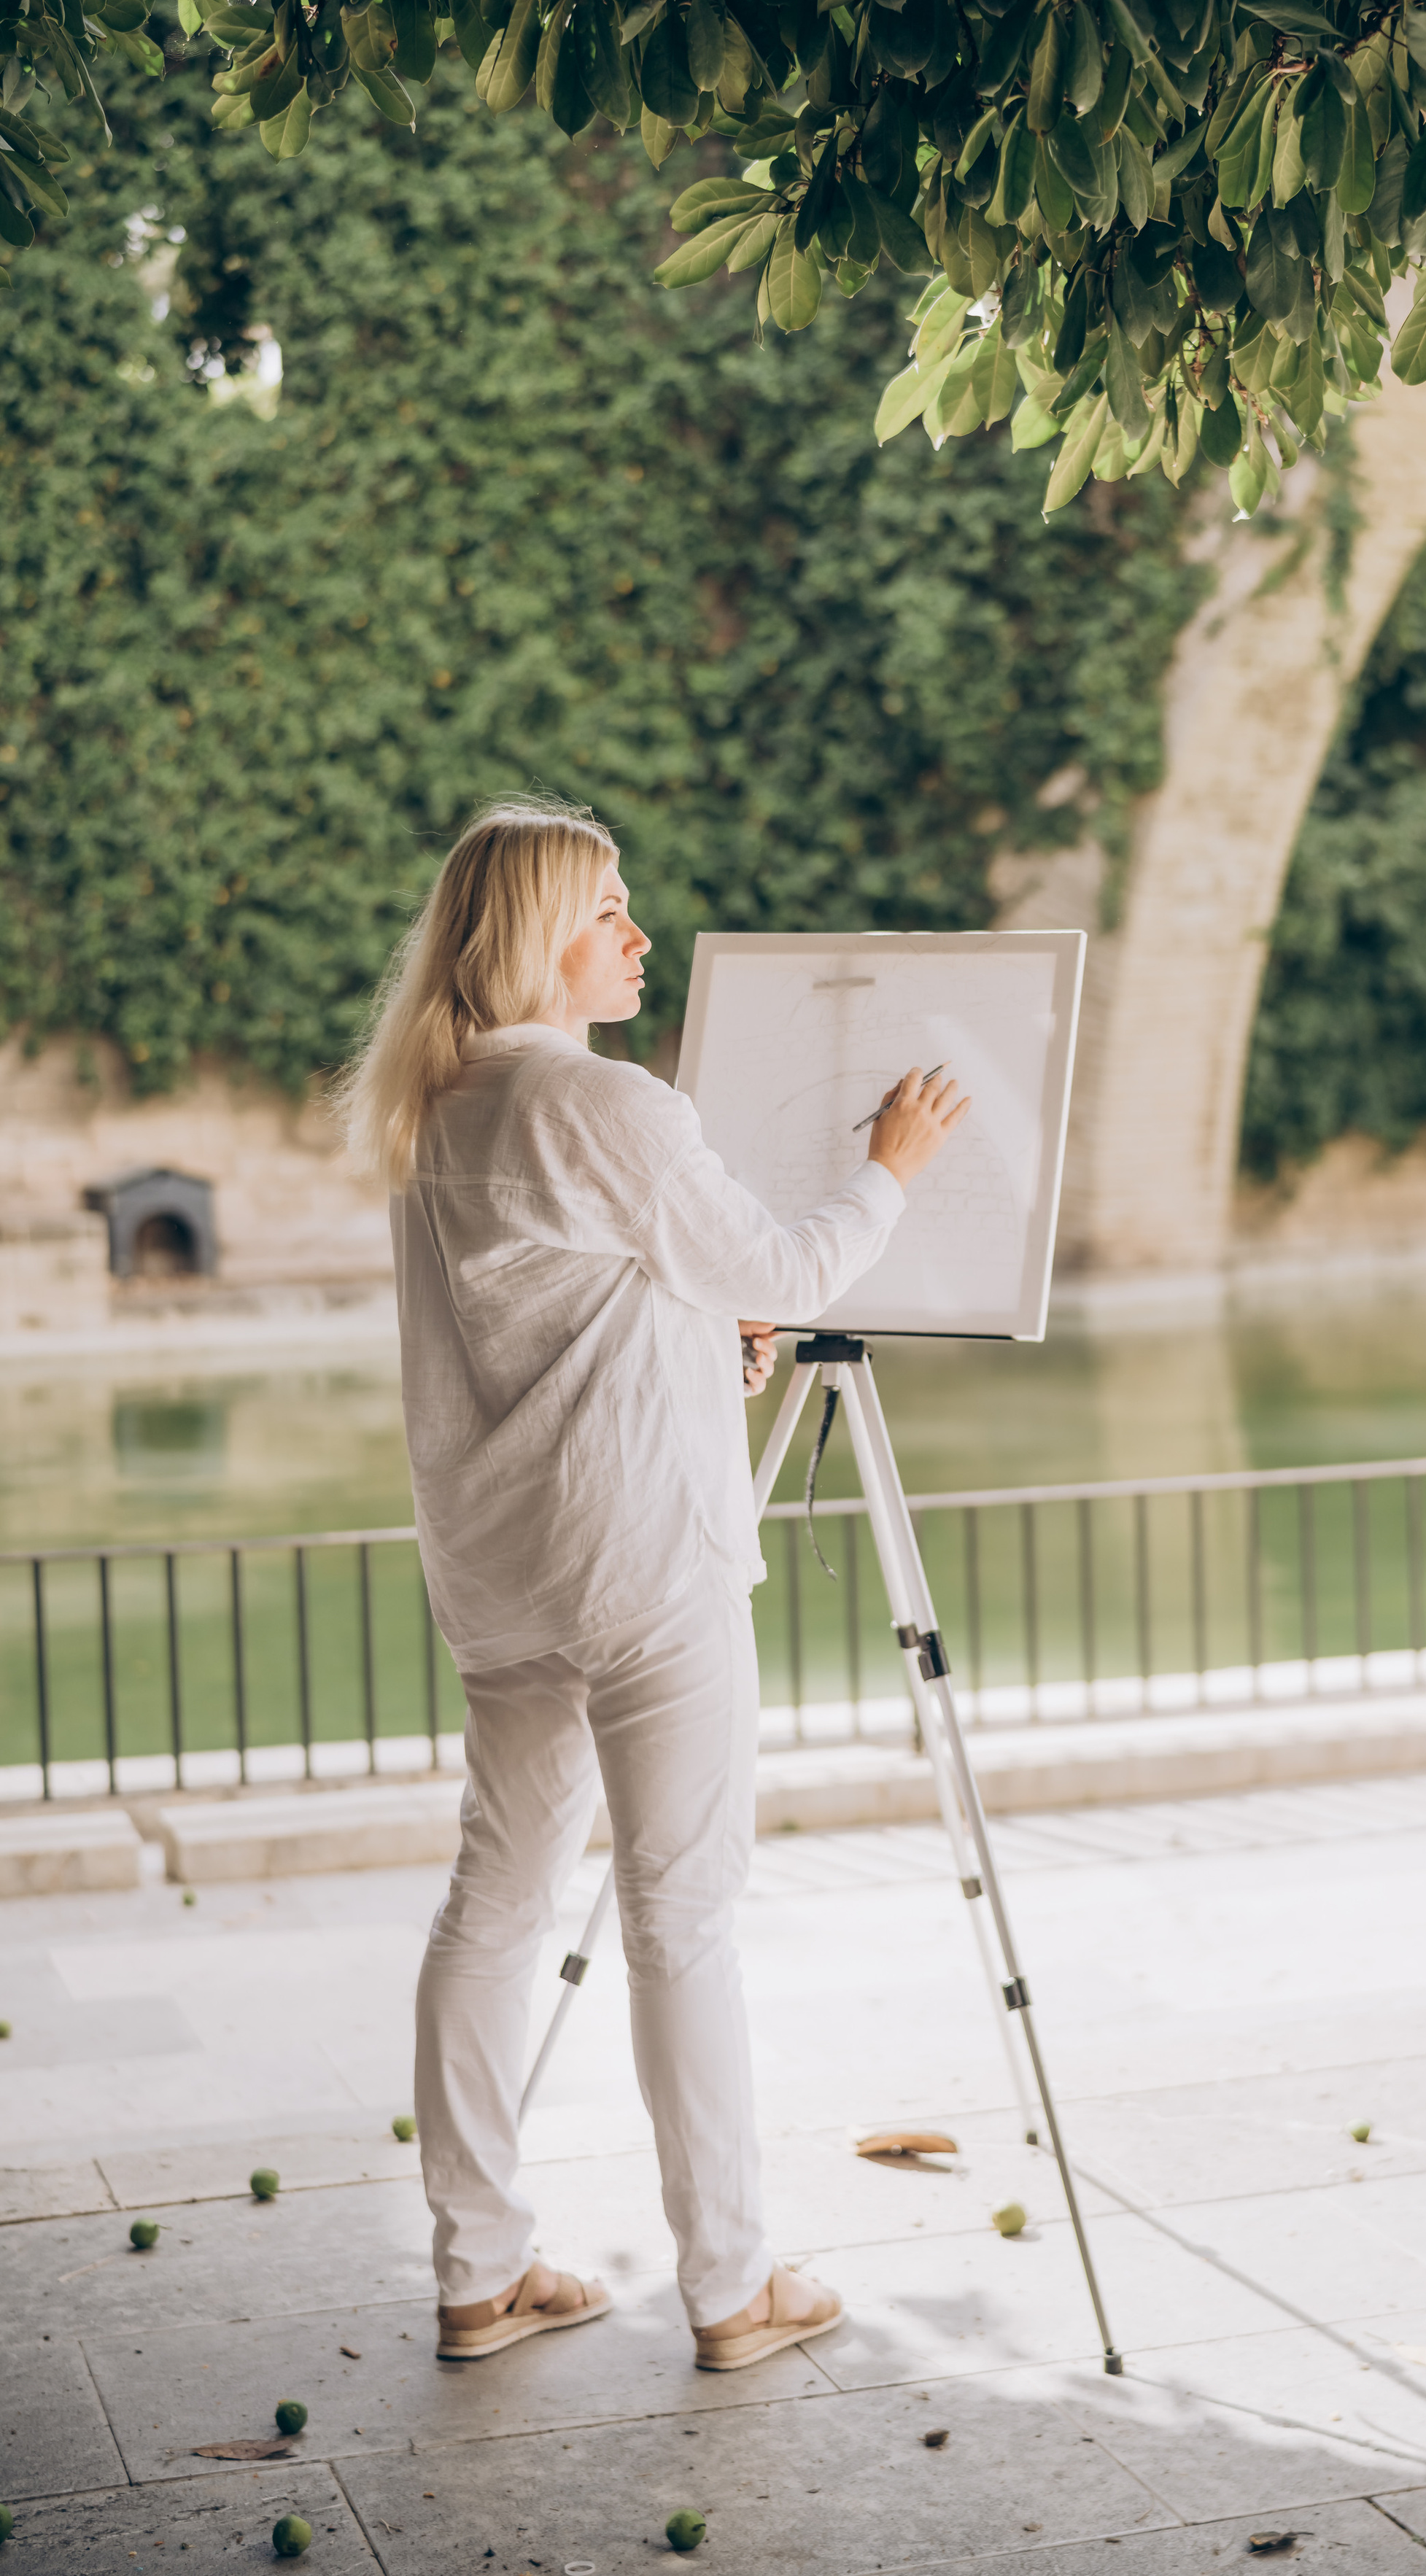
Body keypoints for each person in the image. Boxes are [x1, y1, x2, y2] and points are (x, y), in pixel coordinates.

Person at [343, 796, 968, 2370]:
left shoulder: (439, 1105)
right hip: (643, 1573)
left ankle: (478, 2272)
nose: (635, 932)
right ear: (537, 934)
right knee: (679, 1921)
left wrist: (708, 1340)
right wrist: (888, 1169)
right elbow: (786, 1269)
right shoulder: (604, 1102)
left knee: (492, 1902)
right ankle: (731, 2289)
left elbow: (561, 1321)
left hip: (508, 1573)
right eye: (607, 908)